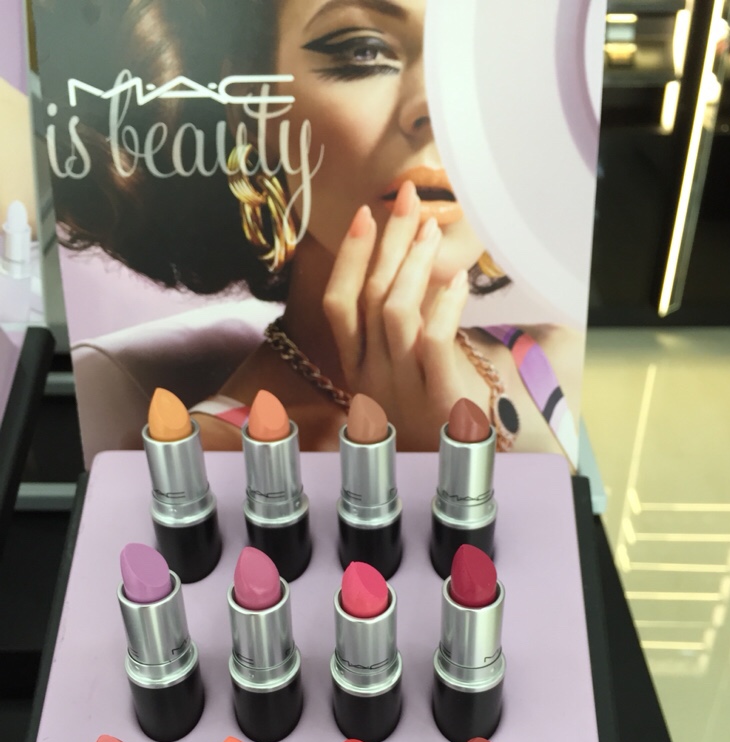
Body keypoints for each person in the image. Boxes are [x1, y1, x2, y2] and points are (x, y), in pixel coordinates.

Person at [41, 0, 583, 461]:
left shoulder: (560, 363)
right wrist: (422, 471)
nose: (441, 107)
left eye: (483, 59)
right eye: (364, 51)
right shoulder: (215, 457)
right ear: (253, 109)